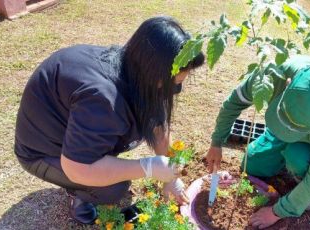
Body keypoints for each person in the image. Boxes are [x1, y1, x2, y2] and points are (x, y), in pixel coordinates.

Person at [14, 16, 205, 225]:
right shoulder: (103, 99)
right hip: (43, 152)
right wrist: (148, 167)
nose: (173, 92)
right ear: (153, 73)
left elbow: (159, 125)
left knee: (114, 168)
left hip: (75, 131)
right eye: (172, 86)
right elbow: (77, 167)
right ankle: (78, 194)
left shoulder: (134, 68)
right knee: (113, 188)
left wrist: (172, 177)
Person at [206, 55, 310, 229]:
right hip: (285, 128)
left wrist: (275, 212)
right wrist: (217, 142)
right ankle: (285, 160)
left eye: (294, 129)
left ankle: (301, 179)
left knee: (298, 157)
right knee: (253, 162)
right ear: (287, 84)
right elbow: (234, 103)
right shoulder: (273, 74)